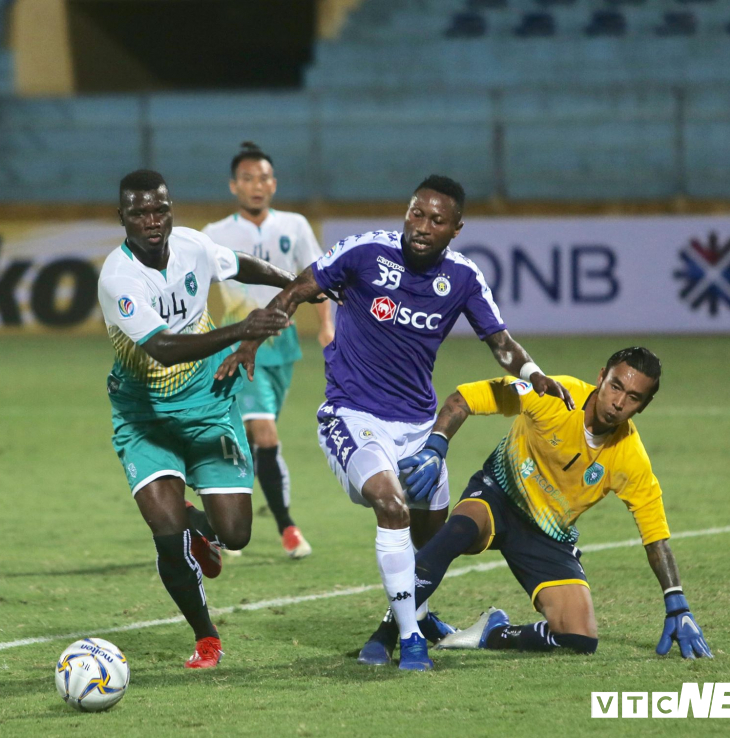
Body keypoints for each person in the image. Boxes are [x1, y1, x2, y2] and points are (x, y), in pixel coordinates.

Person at [216, 175, 572, 670]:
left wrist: (534, 375)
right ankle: (411, 640)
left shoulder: (464, 278)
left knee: (432, 537)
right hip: (352, 414)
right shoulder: (366, 253)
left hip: (417, 428)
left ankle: (411, 619)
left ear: (456, 229)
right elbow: (300, 289)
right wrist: (251, 339)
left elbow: (500, 342)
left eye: (437, 220)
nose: (423, 226)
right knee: (391, 504)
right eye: (416, 214)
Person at [377, 347, 713, 660]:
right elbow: (466, 397)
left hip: (548, 534)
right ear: (601, 377)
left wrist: (677, 603)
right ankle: (387, 632)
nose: (618, 402)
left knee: (580, 638)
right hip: (498, 495)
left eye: (633, 397)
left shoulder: (630, 457)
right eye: (615, 386)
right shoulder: (554, 396)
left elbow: (655, 535)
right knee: (460, 530)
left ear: (644, 405)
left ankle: (492, 632)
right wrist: (437, 445)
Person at [97, 169, 299, 669]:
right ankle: (206, 636)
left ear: (171, 210)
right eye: (139, 212)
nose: (152, 220)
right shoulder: (118, 278)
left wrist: (295, 284)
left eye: (159, 209)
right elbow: (163, 348)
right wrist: (242, 329)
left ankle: (202, 528)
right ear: (121, 217)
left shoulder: (192, 246)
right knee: (165, 533)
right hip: (146, 418)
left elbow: (240, 266)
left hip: (209, 403)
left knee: (236, 535)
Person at [203, 142, 334, 560]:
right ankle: (288, 528)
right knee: (264, 432)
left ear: (273, 184)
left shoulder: (294, 226)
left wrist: (327, 325)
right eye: (247, 179)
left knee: (249, 440)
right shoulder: (214, 235)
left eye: (262, 178)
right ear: (233, 185)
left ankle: (222, 527)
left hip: (285, 346)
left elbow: (316, 278)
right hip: (240, 344)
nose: (256, 186)